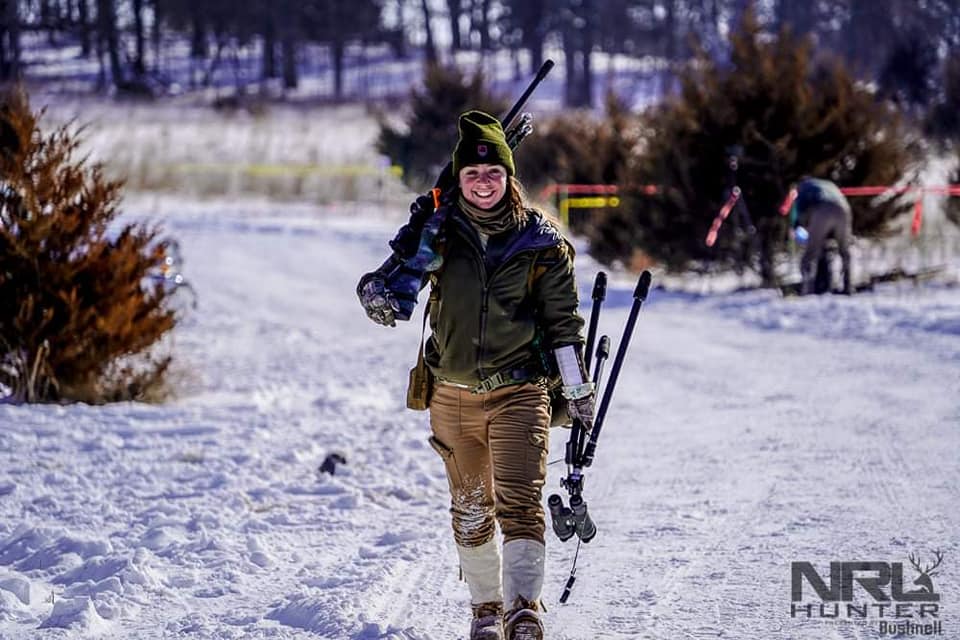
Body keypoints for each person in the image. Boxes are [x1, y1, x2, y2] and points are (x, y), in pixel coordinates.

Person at [357, 111, 592, 640]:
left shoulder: (541, 243)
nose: (483, 183)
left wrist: (577, 389)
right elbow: (398, 282)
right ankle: (486, 610)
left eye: (493, 173)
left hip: (520, 392)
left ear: (509, 177)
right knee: (469, 509)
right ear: (459, 179)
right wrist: (378, 292)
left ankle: (523, 611)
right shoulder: (438, 234)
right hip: (452, 396)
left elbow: (563, 326)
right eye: (472, 174)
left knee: (520, 504)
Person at [790, 177, 853, 295]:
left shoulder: (803, 186)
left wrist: (797, 225)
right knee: (844, 251)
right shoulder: (829, 184)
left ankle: (807, 289)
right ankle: (848, 285)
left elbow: (800, 208)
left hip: (822, 210)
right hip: (844, 210)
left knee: (810, 254)